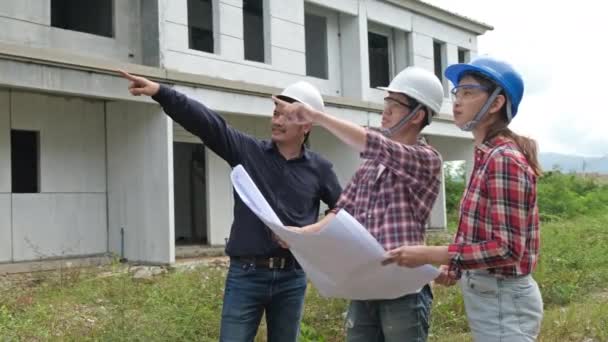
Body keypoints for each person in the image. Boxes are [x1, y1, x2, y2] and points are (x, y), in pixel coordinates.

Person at [119, 70, 342, 342]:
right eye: (276, 112)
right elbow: (208, 123)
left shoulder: (320, 169)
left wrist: (307, 232)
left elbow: (342, 210)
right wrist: (160, 91)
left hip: (291, 278)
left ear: (306, 125)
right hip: (247, 275)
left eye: (287, 114)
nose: (277, 120)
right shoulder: (248, 152)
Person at [274, 66, 444, 341]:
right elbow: (343, 210)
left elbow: (376, 144)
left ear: (418, 115)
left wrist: (317, 116)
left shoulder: (426, 159)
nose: (385, 110)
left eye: (394, 105)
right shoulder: (370, 164)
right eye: (385, 102)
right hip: (365, 283)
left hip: (404, 287)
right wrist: (298, 234)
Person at [382, 56, 543, 341]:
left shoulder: (504, 159)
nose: (456, 101)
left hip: (503, 299)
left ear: (495, 104)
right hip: (491, 294)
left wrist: (430, 253)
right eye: (456, 92)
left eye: (468, 92)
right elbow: (481, 235)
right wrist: (454, 265)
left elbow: (507, 248)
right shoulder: (487, 155)